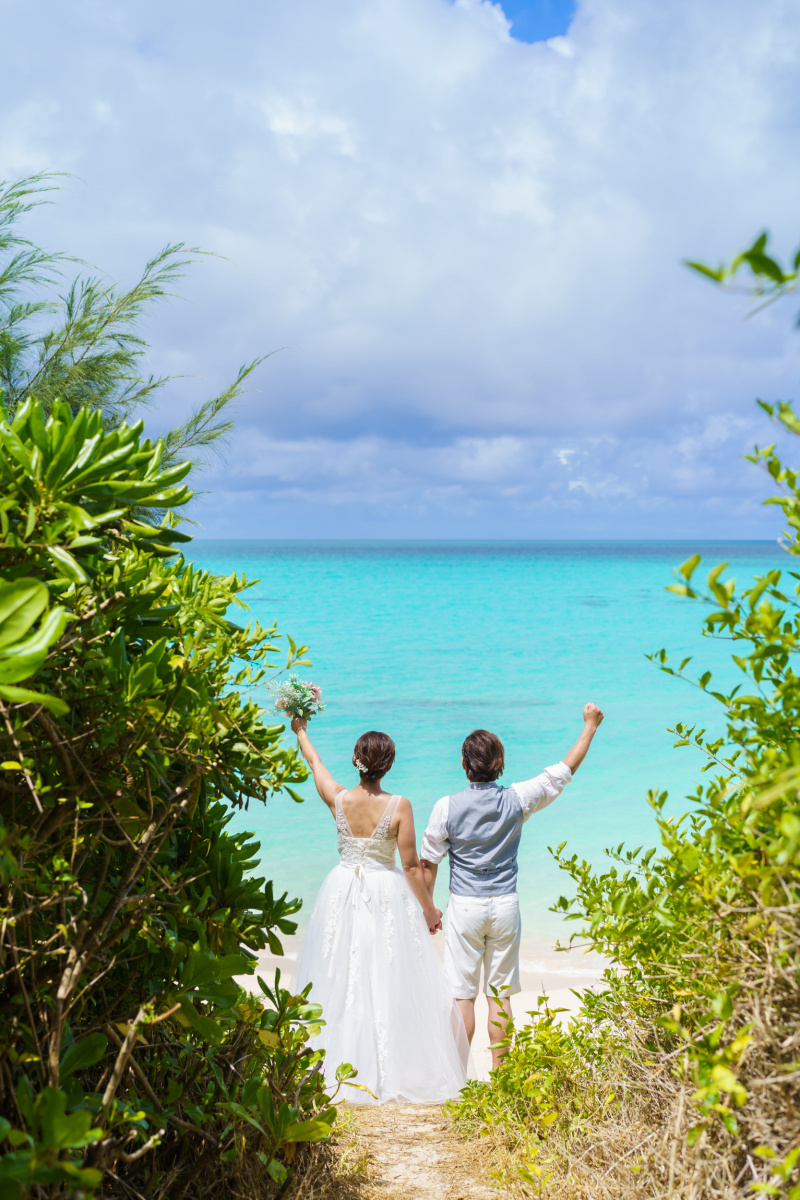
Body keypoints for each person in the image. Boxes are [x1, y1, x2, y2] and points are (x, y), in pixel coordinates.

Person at [290, 716, 469, 1104]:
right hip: (385, 893)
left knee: (341, 973)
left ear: (356, 760)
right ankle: (389, 1067)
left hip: (341, 890)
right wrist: (430, 910)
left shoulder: (338, 798)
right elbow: (410, 865)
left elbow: (315, 764)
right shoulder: (399, 805)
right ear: (388, 765)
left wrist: (301, 730)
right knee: (386, 974)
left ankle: (338, 1065)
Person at [420, 702, 605, 1069]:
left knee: (462, 997)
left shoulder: (446, 807)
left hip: (465, 907)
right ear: (499, 764)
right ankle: (503, 1081)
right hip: (505, 905)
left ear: (464, 764)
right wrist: (590, 726)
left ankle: (457, 1080)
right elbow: (563, 771)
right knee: (500, 995)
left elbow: (428, 862)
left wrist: (428, 909)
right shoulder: (518, 798)